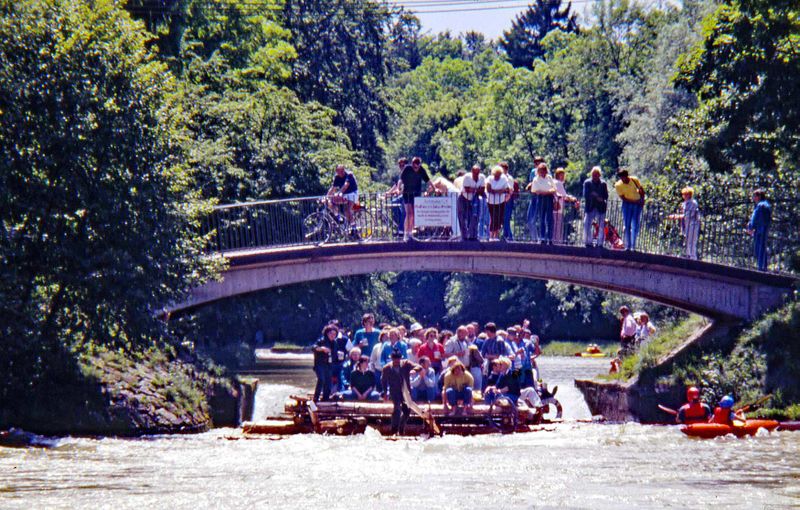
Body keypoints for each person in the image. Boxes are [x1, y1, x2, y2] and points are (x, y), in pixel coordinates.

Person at [381, 348, 422, 435]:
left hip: (405, 391)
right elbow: (383, 381)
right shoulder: (387, 368)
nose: (396, 361)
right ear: (392, 359)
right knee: (397, 409)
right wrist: (385, 392)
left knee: (407, 411)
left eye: (398, 359)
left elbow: (419, 367)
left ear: (400, 358)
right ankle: (394, 430)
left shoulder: (406, 364)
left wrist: (414, 370)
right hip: (394, 392)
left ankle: (401, 428)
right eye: (394, 359)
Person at [614, 168, 645, 250]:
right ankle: (627, 246)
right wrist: (634, 202)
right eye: (621, 177)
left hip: (637, 204)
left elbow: (641, 190)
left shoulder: (634, 180)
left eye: (624, 177)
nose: (623, 179)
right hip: (627, 205)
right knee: (627, 225)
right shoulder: (618, 185)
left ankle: (633, 246)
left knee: (635, 225)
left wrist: (642, 200)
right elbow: (623, 198)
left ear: (627, 176)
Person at [400, 157, 431, 241]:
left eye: (417, 167)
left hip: (416, 195)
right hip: (407, 194)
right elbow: (401, 180)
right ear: (412, 164)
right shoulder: (407, 169)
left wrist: (434, 188)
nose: (415, 169)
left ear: (419, 165)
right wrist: (398, 188)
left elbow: (428, 181)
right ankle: (405, 234)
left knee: (413, 214)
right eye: (414, 167)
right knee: (408, 213)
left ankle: (410, 233)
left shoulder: (421, 170)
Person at [667, 187, 701, 259]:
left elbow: (688, 215)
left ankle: (693, 257)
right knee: (688, 241)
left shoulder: (693, 203)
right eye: (683, 194)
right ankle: (689, 256)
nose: (684, 196)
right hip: (687, 225)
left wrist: (675, 216)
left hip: (693, 224)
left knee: (692, 242)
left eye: (685, 194)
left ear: (689, 195)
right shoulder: (684, 204)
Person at [527, 163, 557, 243]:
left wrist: (546, 192)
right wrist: (545, 192)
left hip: (549, 198)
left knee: (550, 219)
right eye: (540, 171)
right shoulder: (535, 179)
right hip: (540, 199)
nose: (542, 173)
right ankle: (542, 237)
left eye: (543, 171)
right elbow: (535, 190)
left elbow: (554, 189)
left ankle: (550, 238)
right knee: (542, 219)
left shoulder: (549, 178)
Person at [457, 165, 485, 240]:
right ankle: (464, 236)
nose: (476, 174)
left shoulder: (482, 177)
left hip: (474, 198)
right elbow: (467, 189)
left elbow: (482, 190)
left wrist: (474, 190)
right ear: (472, 172)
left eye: (477, 173)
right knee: (462, 218)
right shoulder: (467, 177)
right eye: (475, 173)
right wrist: (477, 189)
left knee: (474, 217)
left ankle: (473, 236)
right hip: (464, 198)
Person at [746, 189, 772, 271]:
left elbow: (755, 218)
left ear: (759, 196)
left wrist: (750, 227)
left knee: (758, 249)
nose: (753, 198)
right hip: (765, 229)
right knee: (763, 249)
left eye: (754, 196)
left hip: (759, 230)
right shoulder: (767, 205)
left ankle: (760, 269)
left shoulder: (760, 206)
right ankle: (763, 268)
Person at [583, 166, 608, 248]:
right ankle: (588, 242)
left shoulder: (603, 184)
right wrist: (597, 196)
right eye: (593, 174)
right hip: (590, 206)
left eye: (596, 175)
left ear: (599, 175)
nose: (595, 176)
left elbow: (605, 196)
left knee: (601, 226)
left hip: (600, 208)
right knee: (587, 224)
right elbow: (586, 195)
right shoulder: (587, 183)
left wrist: (594, 194)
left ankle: (600, 243)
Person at [312, 324, 339, 402]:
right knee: (321, 379)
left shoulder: (335, 343)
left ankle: (325, 399)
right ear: (327, 333)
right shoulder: (321, 340)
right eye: (331, 333)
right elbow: (313, 347)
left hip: (329, 365)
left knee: (328, 382)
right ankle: (315, 398)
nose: (332, 336)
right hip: (319, 365)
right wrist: (322, 349)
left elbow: (334, 355)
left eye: (334, 334)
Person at [552, 168, 577, 243]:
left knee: (553, 225)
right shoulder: (559, 183)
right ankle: (557, 243)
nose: (563, 177)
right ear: (557, 175)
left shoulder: (553, 182)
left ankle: (552, 241)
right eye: (561, 175)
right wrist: (573, 199)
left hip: (552, 207)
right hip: (558, 208)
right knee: (558, 226)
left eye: (563, 175)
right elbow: (565, 196)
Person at [485, 166, 510, 241]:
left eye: (498, 175)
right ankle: (491, 235)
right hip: (491, 202)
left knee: (499, 218)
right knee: (493, 218)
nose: (497, 177)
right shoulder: (489, 178)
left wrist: (499, 191)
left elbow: (507, 190)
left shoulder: (504, 179)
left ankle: (496, 235)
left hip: (500, 201)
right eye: (496, 175)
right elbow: (489, 189)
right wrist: (499, 191)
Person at [387, 158, 408, 237]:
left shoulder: (409, 173)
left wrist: (398, 191)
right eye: (400, 165)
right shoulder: (401, 173)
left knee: (404, 211)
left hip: (408, 195)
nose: (401, 167)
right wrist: (388, 193)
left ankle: (401, 230)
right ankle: (401, 225)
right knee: (393, 204)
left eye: (403, 165)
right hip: (403, 195)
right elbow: (397, 185)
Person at [500, 162, 519, 241]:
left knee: (506, 218)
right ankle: (508, 236)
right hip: (501, 200)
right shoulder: (500, 177)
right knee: (503, 219)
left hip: (508, 200)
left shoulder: (509, 178)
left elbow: (510, 190)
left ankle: (508, 236)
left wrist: (507, 199)